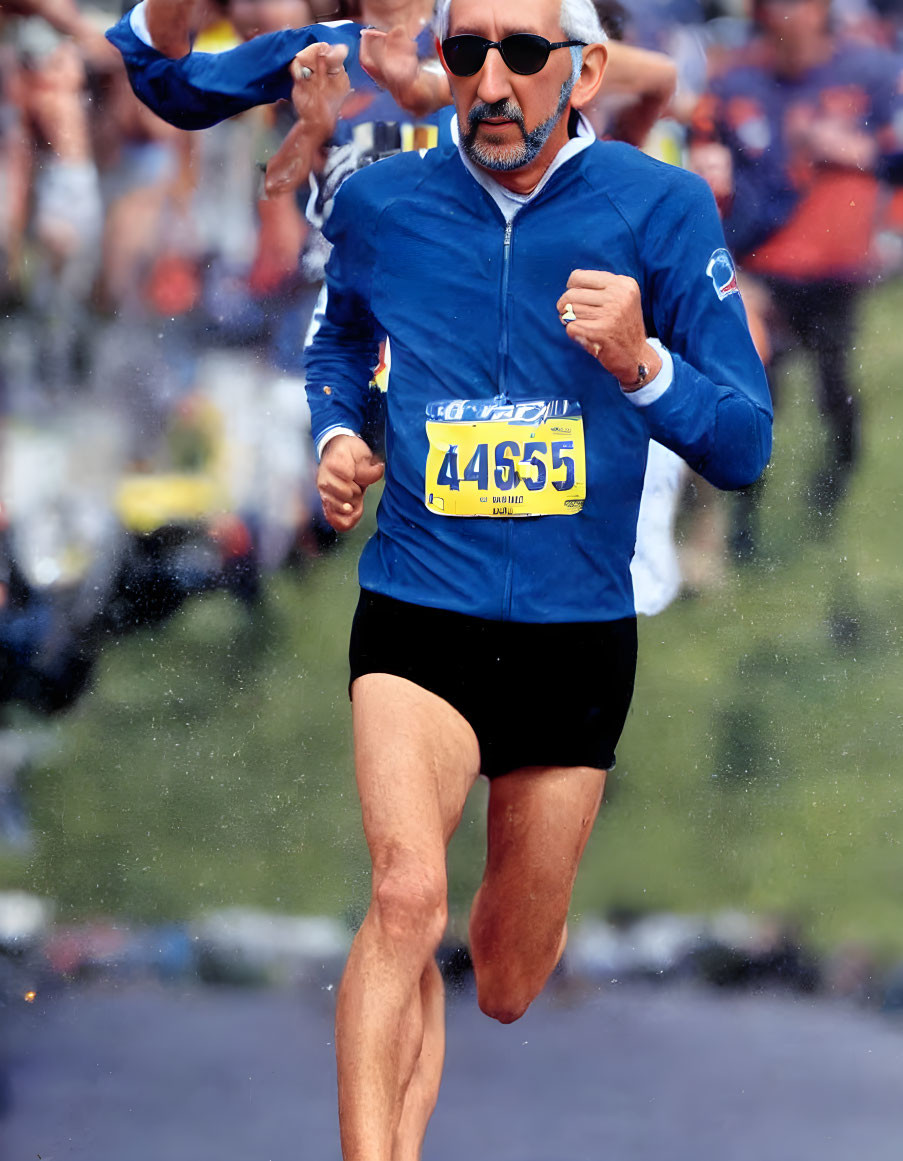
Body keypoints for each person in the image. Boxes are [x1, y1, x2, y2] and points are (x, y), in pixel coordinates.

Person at [303, 0, 771, 1157]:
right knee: (406, 896)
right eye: (467, 54)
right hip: (420, 607)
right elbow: (334, 346)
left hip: (574, 635)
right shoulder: (379, 203)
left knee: (506, 977)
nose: (493, 82)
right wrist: (336, 434)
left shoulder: (659, 208)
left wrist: (642, 362)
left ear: (588, 68)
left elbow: (746, 444)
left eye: (523, 53)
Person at [688, 0, 903, 548]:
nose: (781, 16)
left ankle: (830, 506)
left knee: (838, 395)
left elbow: (893, 150)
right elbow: (702, 161)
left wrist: (854, 151)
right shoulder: (736, 83)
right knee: (758, 395)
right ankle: (744, 529)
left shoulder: (870, 71)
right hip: (763, 270)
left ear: (819, 10)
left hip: (836, 272)